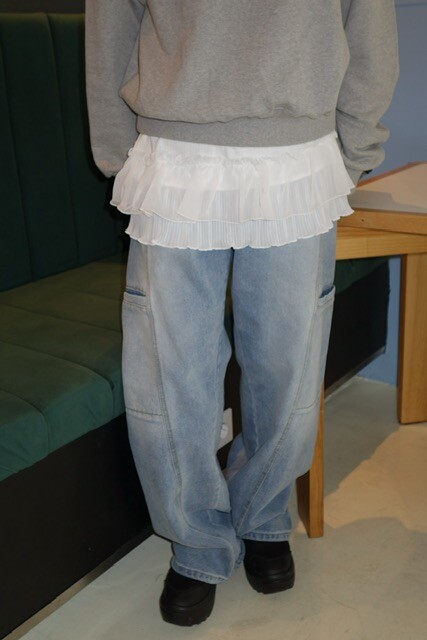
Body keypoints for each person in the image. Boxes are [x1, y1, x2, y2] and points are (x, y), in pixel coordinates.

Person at [85, 0, 399, 627]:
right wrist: (120, 156)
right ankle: (195, 540)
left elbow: (367, 20)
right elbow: (112, 20)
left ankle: (263, 515)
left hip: (297, 154)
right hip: (174, 154)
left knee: (288, 364)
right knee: (170, 373)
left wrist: (353, 149)